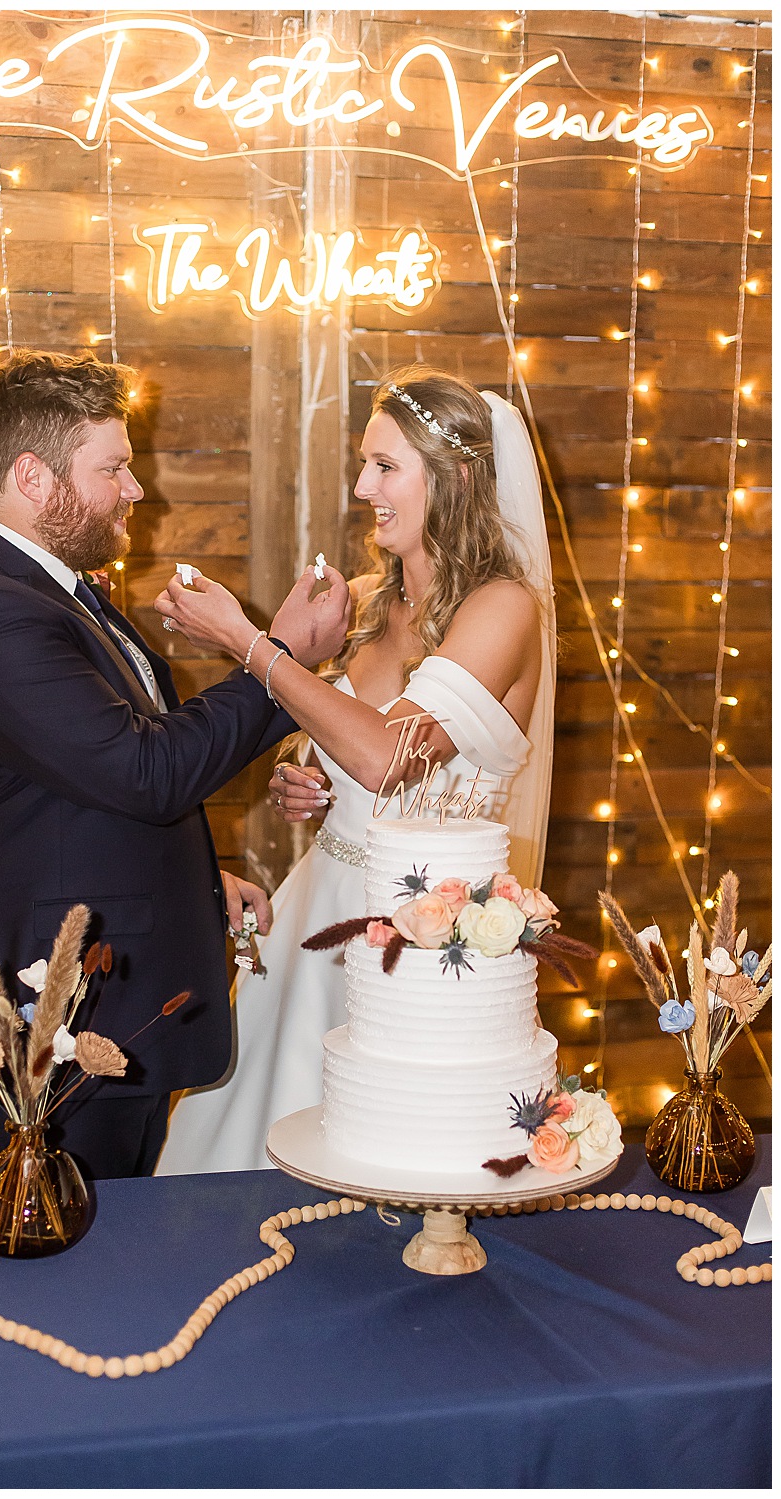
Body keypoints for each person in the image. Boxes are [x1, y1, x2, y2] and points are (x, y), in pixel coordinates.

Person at [0, 350, 352, 1184]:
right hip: (39, 1021)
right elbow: (147, 770)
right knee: (60, 1251)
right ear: (32, 477)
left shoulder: (49, 589)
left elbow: (80, 782)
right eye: (113, 468)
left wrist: (191, 876)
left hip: (95, 1007)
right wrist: (276, 659)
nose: (136, 490)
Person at [152, 365, 556, 1175]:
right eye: (364, 463)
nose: (363, 486)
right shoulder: (366, 600)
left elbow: (386, 757)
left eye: (385, 466)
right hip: (316, 911)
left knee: (380, 1151)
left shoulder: (503, 608)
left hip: (421, 934)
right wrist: (303, 770)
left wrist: (250, 643)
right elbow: (343, 744)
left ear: (456, 476)